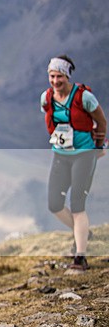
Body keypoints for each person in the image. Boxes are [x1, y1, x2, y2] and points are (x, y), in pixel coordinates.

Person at [42, 55, 106, 271]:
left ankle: (80, 257)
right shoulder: (47, 98)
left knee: (78, 205)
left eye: (59, 76)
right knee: (54, 205)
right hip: (61, 155)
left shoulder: (84, 97)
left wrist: (98, 146)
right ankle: (82, 231)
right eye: (52, 76)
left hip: (84, 154)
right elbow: (49, 120)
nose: (55, 81)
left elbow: (101, 120)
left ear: (67, 76)